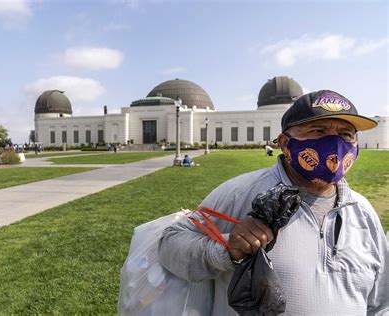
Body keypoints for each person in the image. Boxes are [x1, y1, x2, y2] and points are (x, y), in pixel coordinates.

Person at [158, 90, 388, 315]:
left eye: (346, 134)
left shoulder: (362, 212)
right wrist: (227, 250)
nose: (336, 143)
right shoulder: (240, 193)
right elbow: (170, 245)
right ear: (285, 142)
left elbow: (380, 303)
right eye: (318, 131)